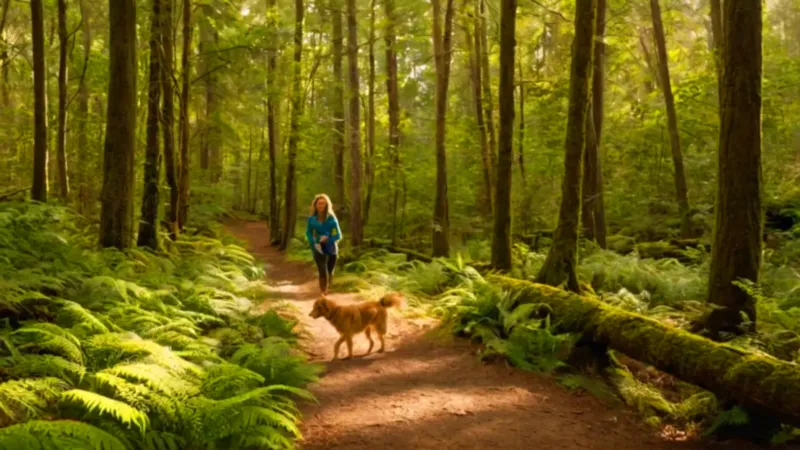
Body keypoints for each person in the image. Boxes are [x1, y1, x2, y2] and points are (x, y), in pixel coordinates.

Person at [306, 194, 342, 296]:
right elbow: (308, 232)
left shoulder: (332, 220)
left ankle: (329, 288)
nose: (321, 205)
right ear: (315, 205)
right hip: (318, 247)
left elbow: (338, 235)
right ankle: (323, 291)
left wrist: (329, 239)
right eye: (319, 203)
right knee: (322, 270)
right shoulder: (311, 219)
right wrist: (313, 243)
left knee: (330, 271)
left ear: (327, 205)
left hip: (331, 247)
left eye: (323, 203)